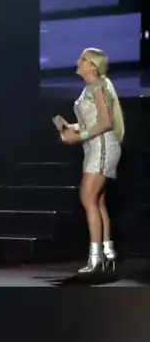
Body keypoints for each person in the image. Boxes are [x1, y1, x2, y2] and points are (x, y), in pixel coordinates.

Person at [53, 48, 125, 274]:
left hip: (102, 148)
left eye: (82, 59)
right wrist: (70, 128)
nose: (78, 62)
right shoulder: (90, 88)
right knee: (97, 201)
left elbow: (106, 122)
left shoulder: (98, 87)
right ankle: (107, 252)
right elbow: (91, 121)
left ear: (92, 66)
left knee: (88, 198)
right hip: (94, 148)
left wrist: (78, 136)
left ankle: (95, 258)